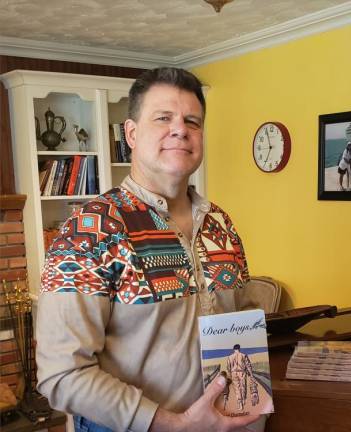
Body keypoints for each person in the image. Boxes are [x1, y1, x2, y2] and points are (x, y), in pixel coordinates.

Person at [36, 68, 264, 432]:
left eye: (193, 120)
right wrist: (174, 424)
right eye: (163, 118)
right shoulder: (89, 231)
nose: (181, 129)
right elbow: (62, 374)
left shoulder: (221, 225)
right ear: (131, 133)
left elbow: (245, 328)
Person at [226, 344, 259, 411]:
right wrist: (251, 375)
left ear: (233, 349)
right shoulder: (243, 355)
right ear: (239, 348)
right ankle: (243, 400)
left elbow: (228, 368)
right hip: (242, 372)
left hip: (233, 373)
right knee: (243, 387)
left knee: (237, 389)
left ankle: (240, 403)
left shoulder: (230, 357)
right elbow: (248, 365)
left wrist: (230, 375)